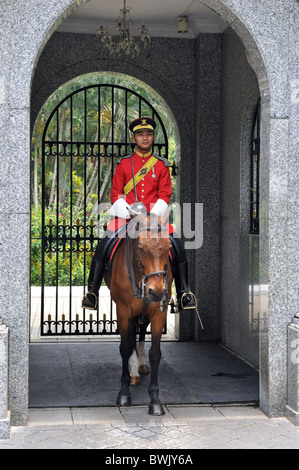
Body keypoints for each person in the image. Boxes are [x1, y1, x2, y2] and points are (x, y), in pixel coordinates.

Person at [81, 117, 196, 311]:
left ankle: (184, 292)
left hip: (155, 217)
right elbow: (116, 194)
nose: (145, 138)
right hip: (127, 217)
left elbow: (164, 194)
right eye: (140, 134)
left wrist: (151, 216)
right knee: (103, 244)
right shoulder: (124, 164)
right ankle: (92, 292)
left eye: (148, 134)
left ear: (153, 137)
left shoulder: (160, 165)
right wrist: (133, 214)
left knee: (177, 245)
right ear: (134, 138)